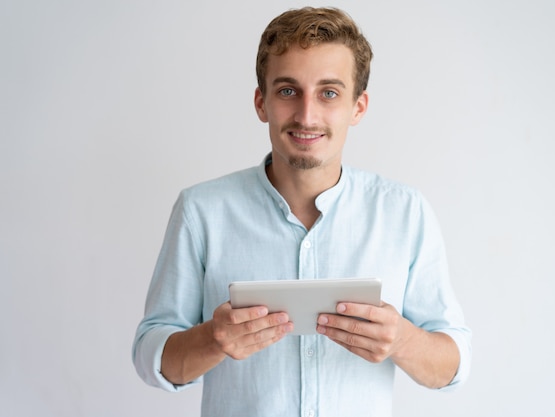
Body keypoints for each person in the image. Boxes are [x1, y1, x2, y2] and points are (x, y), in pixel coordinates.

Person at [133, 6, 471, 417]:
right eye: (288, 91)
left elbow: (453, 365)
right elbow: (150, 355)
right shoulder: (201, 211)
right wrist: (213, 339)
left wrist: (401, 339)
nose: (307, 115)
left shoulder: (405, 213)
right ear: (262, 103)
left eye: (329, 92)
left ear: (358, 107)